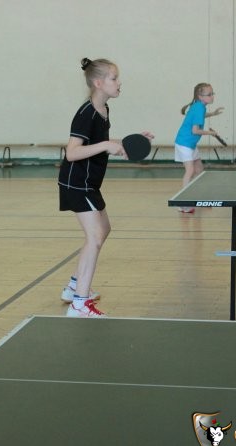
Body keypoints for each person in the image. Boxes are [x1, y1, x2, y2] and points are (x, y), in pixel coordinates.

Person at [58, 57, 153, 318]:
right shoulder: (86, 113)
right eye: (114, 78)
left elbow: (99, 142)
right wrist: (105, 146)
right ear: (98, 83)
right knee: (95, 237)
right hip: (77, 183)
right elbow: (72, 153)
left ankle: (74, 286)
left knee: (104, 229)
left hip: (89, 182)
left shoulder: (103, 109)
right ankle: (79, 304)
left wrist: (124, 143)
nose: (119, 82)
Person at [174, 82, 224, 213]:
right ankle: (183, 204)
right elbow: (195, 130)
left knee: (200, 171)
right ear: (200, 96)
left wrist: (213, 113)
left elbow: (199, 116)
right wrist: (210, 133)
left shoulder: (199, 106)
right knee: (190, 171)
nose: (212, 96)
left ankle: (199, 199)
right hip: (184, 143)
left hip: (190, 144)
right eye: (209, 94)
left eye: (212, 93)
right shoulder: (199, 107)